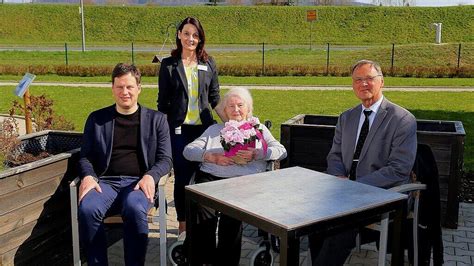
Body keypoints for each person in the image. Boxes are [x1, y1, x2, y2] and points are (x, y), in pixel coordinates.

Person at [309, 59, 417, 265]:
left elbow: (398, 169)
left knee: (340, 227)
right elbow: (335, 156)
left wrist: (354, 187)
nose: (363, 84)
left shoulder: (402, 120)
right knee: (313, 222)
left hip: (383, 193)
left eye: (369, 79)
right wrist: (339, 178)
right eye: (358, 80)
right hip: (344, 190)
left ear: (382, 82)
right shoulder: (346, 117)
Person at [78, 63, 172, 266]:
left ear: (139, 88)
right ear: (112, 88)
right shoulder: (97, 119)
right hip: (105, 183)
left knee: (134, 207)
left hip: (139, 183)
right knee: (87, 209)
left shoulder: (157, 120)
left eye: (129, 87)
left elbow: (165, 159)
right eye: (119, 87)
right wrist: (88, 176)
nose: (125, 92)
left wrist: (151, 176)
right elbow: (85, 156)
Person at [183, 87, 287, 265]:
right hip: (211, 178)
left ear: (248, 108)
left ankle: (226, 262)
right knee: (200, 208)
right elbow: (188, 150)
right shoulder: (214, 130)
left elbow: (281, 151)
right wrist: (211, 157)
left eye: (240, 105)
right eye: (231, 106)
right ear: (224, 110)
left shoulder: (258, 129)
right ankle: (203, 259)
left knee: (231, 215)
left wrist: (258, 154)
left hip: (244, 182)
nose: (236, 109)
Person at [158, 17, 220, 236]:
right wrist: (161, 135)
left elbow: (215, 99)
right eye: (186, 33)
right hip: (179, 130)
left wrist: (234, 125)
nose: (191, 38)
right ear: (179, 35)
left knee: (205, 175)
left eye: (195, 35)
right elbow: (162, 102)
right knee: (183, 177)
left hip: (204, 129)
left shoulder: (209, 63)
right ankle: (183, 226)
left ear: (200, 37)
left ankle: (204, 225)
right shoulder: (168, 65)